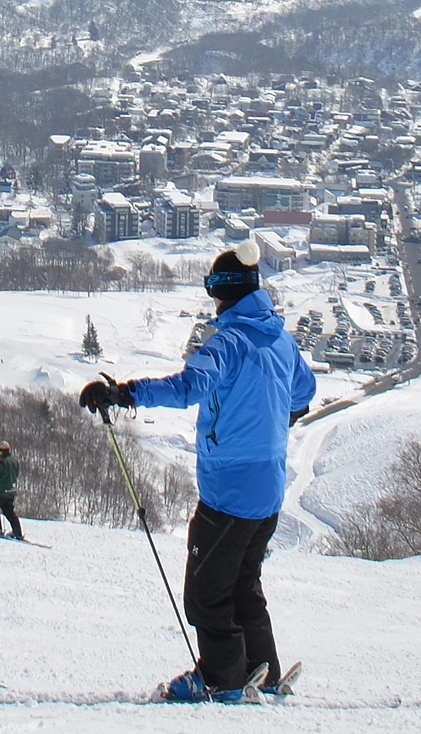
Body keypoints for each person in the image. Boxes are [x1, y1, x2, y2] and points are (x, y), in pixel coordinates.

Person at [80, 241, 315, 703]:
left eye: (212, 287)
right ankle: (261, 672)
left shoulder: (226, 343)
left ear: (223, 290)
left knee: (206, 592)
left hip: (229, 492)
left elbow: (188, 386)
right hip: (268, 492)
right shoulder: (280, 339)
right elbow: (303, 392)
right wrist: (269, 416)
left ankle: (223, 679)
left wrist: (124, 394)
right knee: (243, 584)